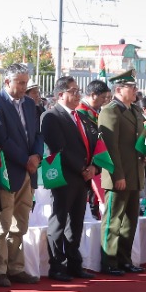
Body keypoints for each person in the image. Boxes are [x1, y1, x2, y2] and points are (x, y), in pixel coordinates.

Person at [0, 64, 41, 286]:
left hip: (28, 170)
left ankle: (16, 268)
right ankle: (0, 270)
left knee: (21, 223)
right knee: (2, 223)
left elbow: (37, 133)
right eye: (21, 83)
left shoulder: (29, 103)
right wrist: (25, 160)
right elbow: (1, 138)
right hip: (8, 171)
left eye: (26, 82)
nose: (25, 87)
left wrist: (36, 155)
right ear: (7, 82)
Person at [41, 76, 96, 281]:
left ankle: (74, 263)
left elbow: (92, 144)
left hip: (82, 177)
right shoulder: (51, 116)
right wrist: (82, 168)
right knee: (59, 221)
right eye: (73, 91)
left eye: (77, 90)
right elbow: (58, 148)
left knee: (76, 223)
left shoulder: (80, 117)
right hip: (63, 176)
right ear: (60, 94)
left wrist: (93, 167)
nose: (77, 94)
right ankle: (57, 266)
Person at [99, 71, 146, 275]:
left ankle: (124, 259)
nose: (135, 90)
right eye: (131, 87)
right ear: (118, 89)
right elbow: (110, 147)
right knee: (113, 220)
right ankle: (109, 261)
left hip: (135, 172)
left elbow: (139, 140)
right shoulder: (110, 111)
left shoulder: (134, 110)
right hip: (120, 174)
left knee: (130, 220)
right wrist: (118, 175)